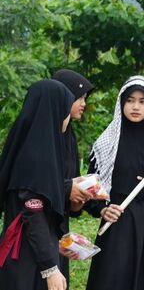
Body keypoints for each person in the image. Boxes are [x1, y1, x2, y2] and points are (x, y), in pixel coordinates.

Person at [83, 76, 144, 290]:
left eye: (143, 102)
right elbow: (90, 187)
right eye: (130, 100)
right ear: (121, 103)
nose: (135, 107)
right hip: (118, 226)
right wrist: (102, 210)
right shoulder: (106, 143)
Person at [0, 79, 75, 290]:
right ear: (55, 110)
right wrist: (50, 267)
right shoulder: (37, 157)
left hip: (29, 253)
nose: (68, 117)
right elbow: (33, 215)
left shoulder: (32, 149)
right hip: (26, 260)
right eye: (66, 109)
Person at [52, 69, 95, 287]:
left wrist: (78, 201)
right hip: (38, 226)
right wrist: (69, 187)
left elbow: (70, 182)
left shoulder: (70, 135)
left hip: (60, 227)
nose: (83, 103)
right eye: (79, 97)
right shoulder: (46, 135)